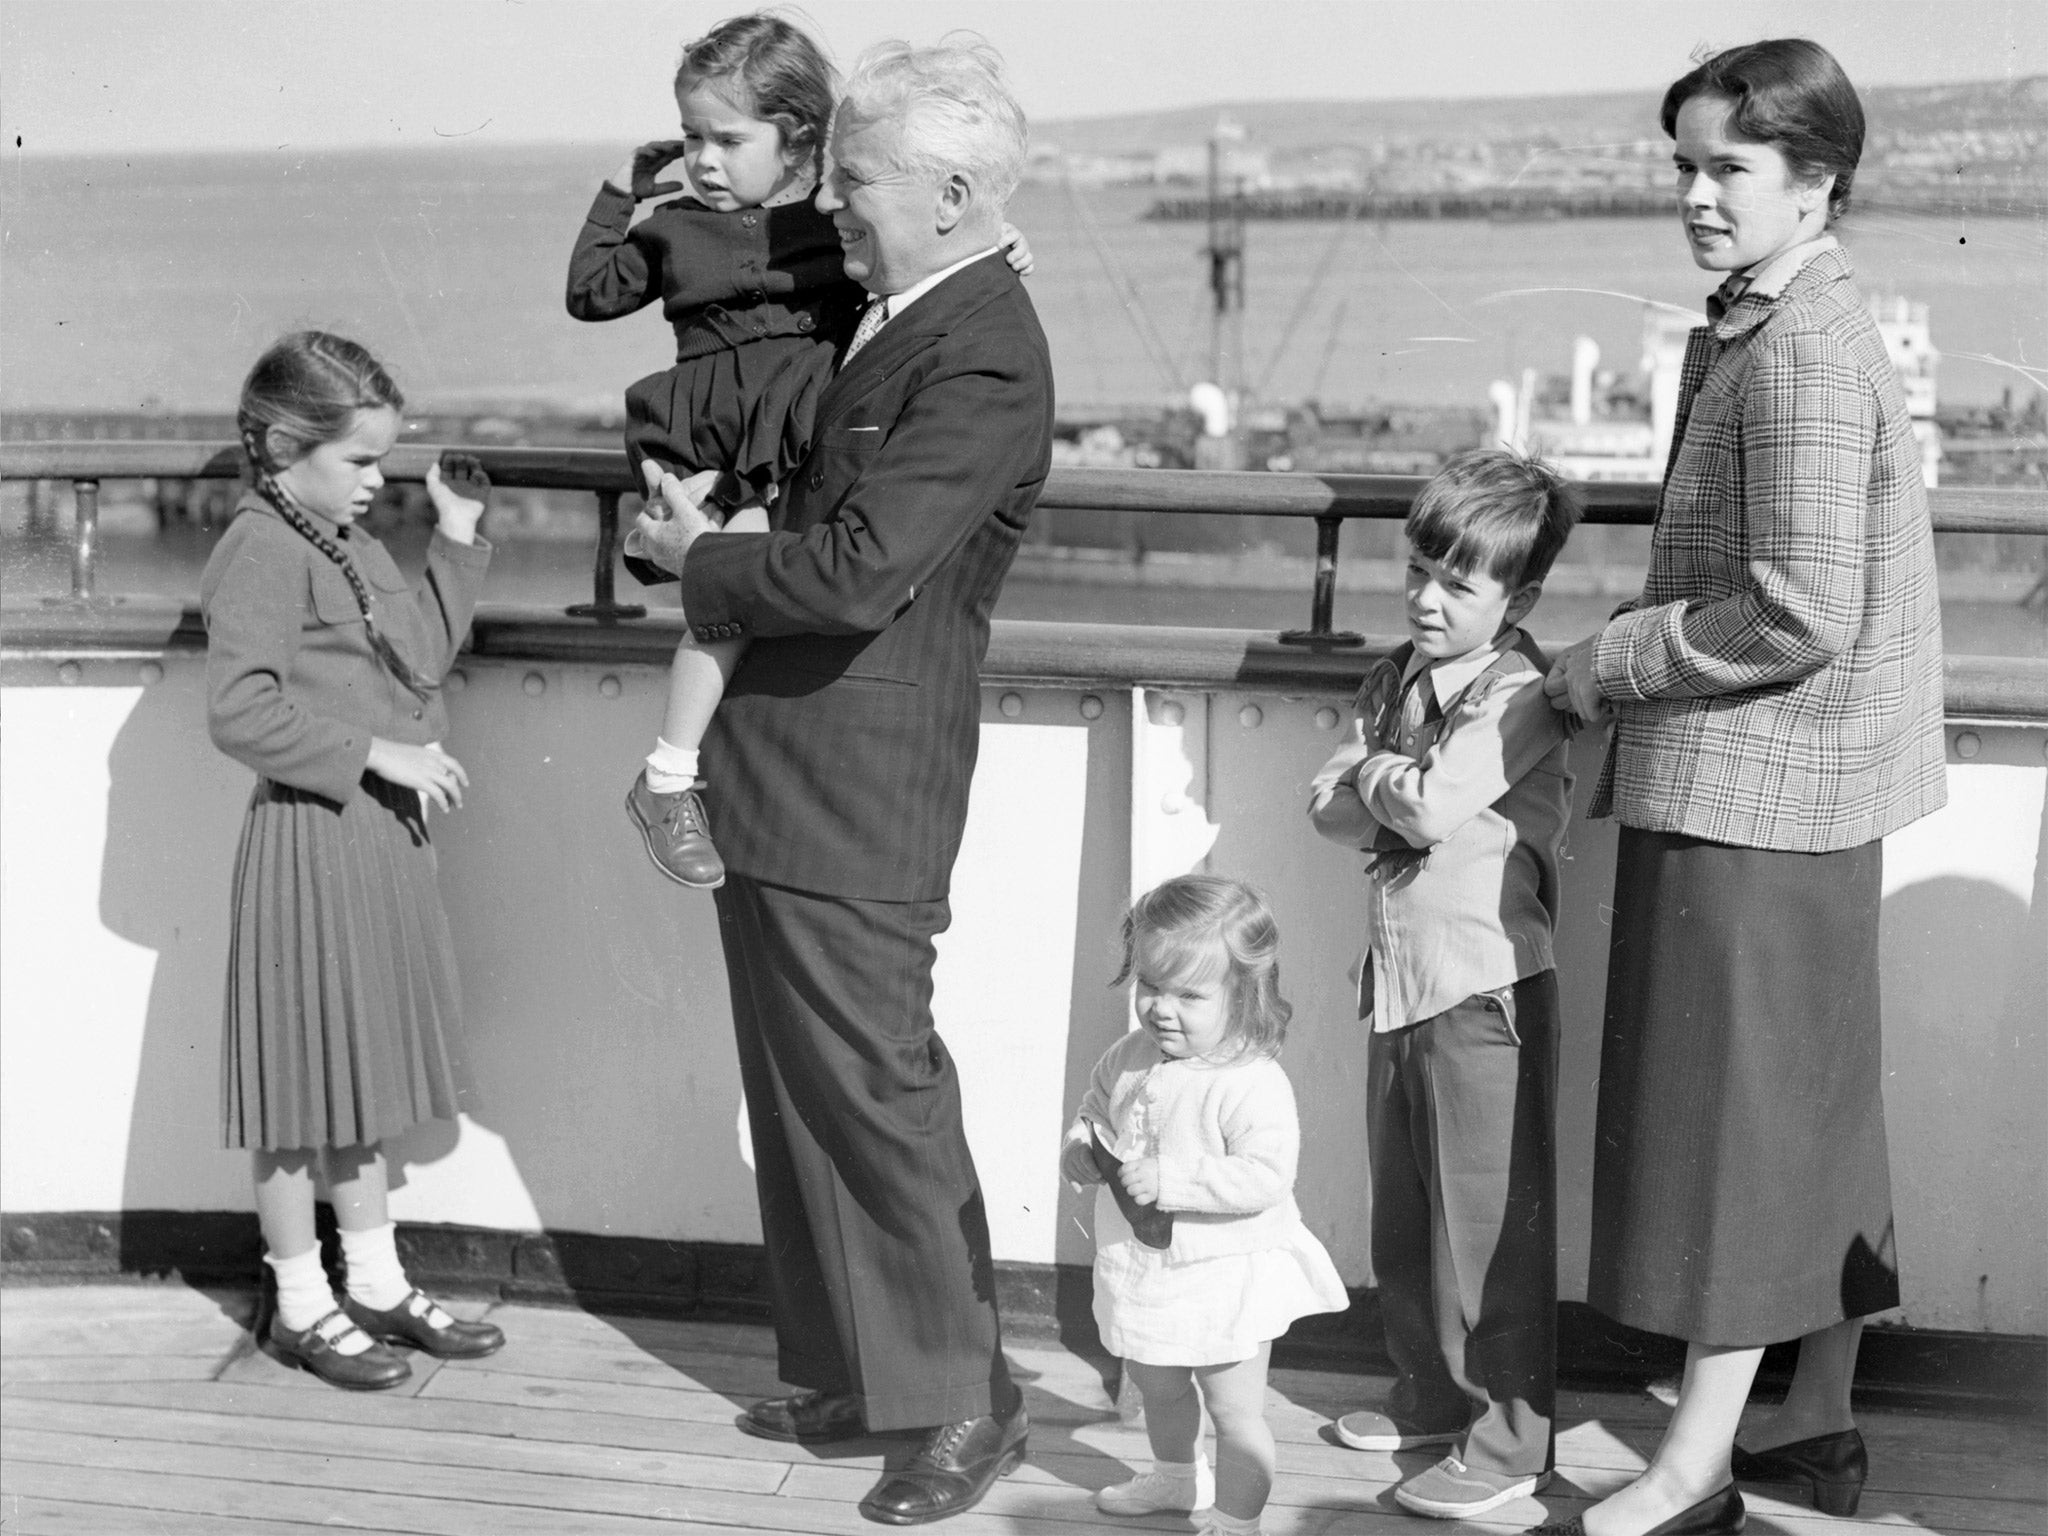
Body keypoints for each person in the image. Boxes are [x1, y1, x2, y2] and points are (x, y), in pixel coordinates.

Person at [626, 36, 1052, 1526]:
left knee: (873, 1090)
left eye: (856, 179)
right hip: (788, 762)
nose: (834, 205)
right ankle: (860, 1374)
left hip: (863, 775)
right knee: (799, 1090)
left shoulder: (983, 344)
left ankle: (966, 1403)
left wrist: (700, 559)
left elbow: (867, 567)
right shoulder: (900, 310)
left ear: (946, 190)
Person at [1537, 39, 1946, 1536]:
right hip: (1814, 787)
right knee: (1810, 1113)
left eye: (1727, 170)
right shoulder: (1784, 317)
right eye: (1684, 169)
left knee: (1732, 1132)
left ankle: (1695, 1469)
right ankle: (1819, 1426)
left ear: (1814, 180)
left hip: (1758, 790)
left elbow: (1797, 608)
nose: (1697, 199)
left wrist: (1606, 663)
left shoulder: (1804, 348)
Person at [566, 12, 1030, 892]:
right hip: (708, 435)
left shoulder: (832, 230)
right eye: (692, 136)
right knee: (715, 587)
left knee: (720, 584)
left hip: (783, 433)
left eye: (727, 139)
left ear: (799, 142)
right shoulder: (671, 229)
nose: (703, 160)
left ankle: (668, 773)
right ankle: (669, 773)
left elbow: (928, 256)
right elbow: (591, 293)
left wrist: (1001, 242)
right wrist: (617, 191)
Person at [201, 331, 505, 1389]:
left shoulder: (344, 536)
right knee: (297, 1089)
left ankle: (371, 1280)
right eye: (361, 460)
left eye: (385, 460)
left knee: (359, 1068)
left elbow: (415, 655)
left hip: (375, 841)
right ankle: (297, 1303)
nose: (380, 481)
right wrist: (372, 750)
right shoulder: (260, 546)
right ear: (285, 445)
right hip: (305, 839)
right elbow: (237, 709)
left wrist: (456, 543)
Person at [1307, 450, 1583, 1521]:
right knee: (1408, 1214)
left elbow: (1408, 807)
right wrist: (1381, 788)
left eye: (1456, 585)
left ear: (1514, 599)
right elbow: (1327, 815)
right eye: (1418, 571)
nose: (1425, 599)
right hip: (1399, 980)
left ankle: (1513, 1444)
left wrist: (1370, 777)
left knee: (1490, 1232)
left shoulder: (1519, 693)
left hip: (1484, 990)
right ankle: (1429, 1393)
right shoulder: (1398, 680)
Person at [1061, 876, 1349, 1536]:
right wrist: (1081, 1144)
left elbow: (1265, 1177)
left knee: (1234, 1408)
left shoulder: (1249, 1081)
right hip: (1146, 1268)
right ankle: (1176, 1477)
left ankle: (1236, 1518)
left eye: (1188, 994)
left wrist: (1171, 1180)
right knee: (1158, 1385)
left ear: (1243, 996)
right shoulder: (1127, 1056)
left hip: (1225, 1275)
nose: (1162, 1008)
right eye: (1150, 987)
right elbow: (1096, 1109)